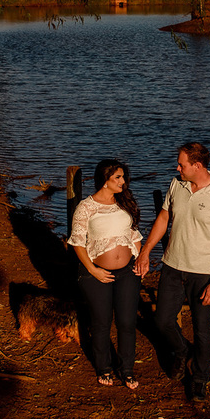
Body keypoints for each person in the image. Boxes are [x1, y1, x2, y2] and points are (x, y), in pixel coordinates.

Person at [135, 142, 210, 400]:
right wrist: (146, 252)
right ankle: (181, 351)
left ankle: (200, 378)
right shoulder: (177, 185)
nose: (177, 168)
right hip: (172, 266)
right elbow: (163, 218)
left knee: (202, 329)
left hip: (203, 273)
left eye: (181, 164)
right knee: (162, 321)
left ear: (197, 166)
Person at [68, 159, 144, 389]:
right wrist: (93, 270)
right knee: (101, 323)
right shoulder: (86, 207)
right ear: (104, 180)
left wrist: (139, 260)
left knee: (127, 322)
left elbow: (134, 235)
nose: (123, 182)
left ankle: (127, 369)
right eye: (118, 178)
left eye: (123, 177)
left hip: (128, 272)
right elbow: (77, 242)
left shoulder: (124, 203)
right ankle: (104, 368)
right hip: (96, 273)